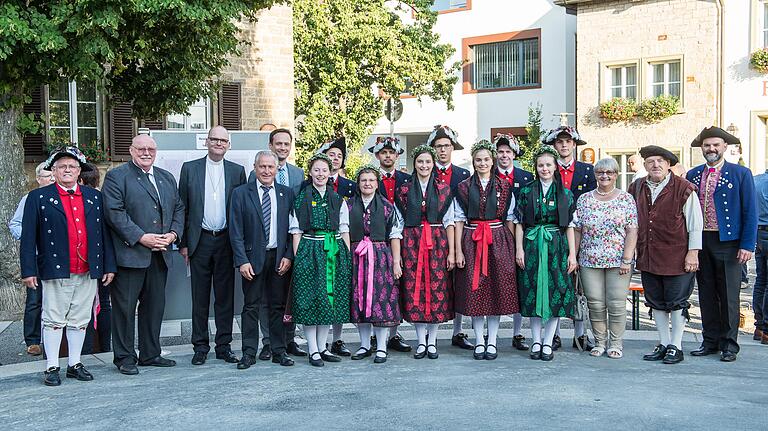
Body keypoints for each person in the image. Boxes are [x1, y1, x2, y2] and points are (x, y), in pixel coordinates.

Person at [20, 147, 116, 386]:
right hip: (55, 268)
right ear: (53, 171)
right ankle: (52, 365)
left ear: (79, 171)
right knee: (53, 318)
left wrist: (108, 266)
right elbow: (28, 237)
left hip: (87, 268)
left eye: (72, 167)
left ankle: (75, 363)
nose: (67, 170)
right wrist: (28, 270)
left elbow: (105, 235)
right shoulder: (38, 198)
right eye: (62, 166)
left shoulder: (94, 197)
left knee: (80, 318)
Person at [103, 134, 185, 375]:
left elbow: (178, 208)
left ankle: (150, 353)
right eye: (141, 148)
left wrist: (173, 235)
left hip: (160, 255)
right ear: (131, 150)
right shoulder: (117, 177)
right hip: (131, 255)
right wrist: (141, 237)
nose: (146, 152)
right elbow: (114, 213)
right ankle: (125, 357)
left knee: (154, 307)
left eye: (151, 148)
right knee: (125, 309)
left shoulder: (166, 177)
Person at [686, 126, 758, 362]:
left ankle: (729, 345)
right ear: (702, 148)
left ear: (725, 147)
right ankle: (710, 341)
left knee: (728, 295)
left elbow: (750, 211)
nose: (711, 149)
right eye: (707, 145)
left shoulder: (741, 173)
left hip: (729, 241)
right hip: (701, 240)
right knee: (706, 293)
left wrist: (747, 245)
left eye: (716, 145)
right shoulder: (693, 174)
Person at [178, 126, 246, 366]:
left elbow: (241, 211)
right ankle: (200, 346)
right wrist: (183, 243)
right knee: (200, 297)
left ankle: (224, 346)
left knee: (225, 298)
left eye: (223, 140)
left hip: (226, 241)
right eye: (214, 139)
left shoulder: (238, 171)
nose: (218, 143)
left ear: (228, 145)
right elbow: (182, 207)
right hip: (200, 240)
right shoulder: (190, 169)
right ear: (206, 141)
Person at [629, 146, 702, 364]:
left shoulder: (684, 188)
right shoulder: (637, 187)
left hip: (677, 256)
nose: (656, 165)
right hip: (649, 254)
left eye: (660, 161)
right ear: (645, 165)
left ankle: (676, 346)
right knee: (655, 301)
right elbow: (630, 220)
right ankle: (663, 342)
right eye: (651, 161)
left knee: (677, 301)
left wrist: (693, 253)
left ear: (669, 164)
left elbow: (695, 224)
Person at [230, 151, 296, 368]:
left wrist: (288, 255)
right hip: (252, 260)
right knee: (251, 306)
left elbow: (291, 230)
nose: (267, 171)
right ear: (255, 168)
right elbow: (236, 230)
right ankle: (249, 352)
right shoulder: (241, 193)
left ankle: (278, 350)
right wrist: (242, 261)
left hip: (278, 258)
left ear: (277, 169)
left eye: (271, 167)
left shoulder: (287, 194)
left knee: (277, 306)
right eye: (262, 167)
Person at [454, 140, 519, 360]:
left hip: (497, 240)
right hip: (472, 240)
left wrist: (511, 247)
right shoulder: (463, 187)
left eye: (486, 159)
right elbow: (460, 220)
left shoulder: (504, 186)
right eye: (478, 159)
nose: (482, 163)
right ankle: (479, 341)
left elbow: (510, 218)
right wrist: (459, 251)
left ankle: (492, 341)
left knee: (495, 292)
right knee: (475, 294)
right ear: (473, 161)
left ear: (493, 161)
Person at [287, 153, 353, 367]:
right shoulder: (302, 197)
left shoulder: (336, 198)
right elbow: (296, 230)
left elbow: (344, 229)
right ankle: (312, 350)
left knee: (329, 300)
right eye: (316, 170)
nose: (321, 174)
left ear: (330, 172)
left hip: (333, 249)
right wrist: (299, 259)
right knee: (310, 300)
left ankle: (323, 347)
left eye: (324, 170)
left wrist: (346, 255)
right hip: (310, 248)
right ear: (310, 172)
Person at [248, 128, 307, 359]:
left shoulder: (298, 174)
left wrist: (291, 251)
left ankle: (288, 340)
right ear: (271, 145)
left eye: (286, 144)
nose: (282, 147)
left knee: (288, 296)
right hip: (264, 246)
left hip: (287, 245)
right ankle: (267, 341)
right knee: (265, 299)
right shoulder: (257, 172)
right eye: (278, 143)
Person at [514, 145, 578, 362]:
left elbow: (569, 225)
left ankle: (548, 342)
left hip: (556, 247)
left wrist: (572, 255)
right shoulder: (526, 191)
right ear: (536, 167)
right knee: (532, 293)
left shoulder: (565, 194)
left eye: (548, 164)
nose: (544, 168)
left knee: (555, 294)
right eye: (540, 165)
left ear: (555, 166)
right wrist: (519, 249)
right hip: (532, 246)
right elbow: (519, 224)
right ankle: (536, 341)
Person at [575, 157, 638, 359]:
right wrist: (574, 256)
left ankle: (616, 343)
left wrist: (627, 259)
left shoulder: (626, 199)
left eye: (609, 173)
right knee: (594, 302)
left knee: (617, 303)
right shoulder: (584, 199)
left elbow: (632, 230)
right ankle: (600, 341)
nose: (604, 176)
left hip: (618, 260)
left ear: (616, 175)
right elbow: (577, 230)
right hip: (589, 259)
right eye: (600, 172)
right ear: (595, 175)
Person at [396, 144, 455, 360]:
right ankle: (421, 342)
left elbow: (449, 222)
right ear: (415, 164)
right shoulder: (403, 191)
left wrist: (451, 252)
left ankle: (433, 341)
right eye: (420, 161)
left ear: (433, 164)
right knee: (416, 290)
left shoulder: (443, 189)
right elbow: (399, 222)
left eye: (428, 162)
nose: (424, 165)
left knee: (436, 288)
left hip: (437, 243)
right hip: (412, 243)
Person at [544, 125, 596, 351]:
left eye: (568, 141)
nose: (564, 145)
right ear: (554, 146)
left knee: (580, 286)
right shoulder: (547, 168)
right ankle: (553, 334)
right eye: (559, 142)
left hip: (581, 233)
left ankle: (580, 334)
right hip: (554, 234)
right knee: (554, 282)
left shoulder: (587, 170)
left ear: (574, 144)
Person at [347, 164, 404, 364]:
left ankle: (381, 347)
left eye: (371, 180)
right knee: (360, 300)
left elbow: (395, 235)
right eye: (364, 180)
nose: (367, 184)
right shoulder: (349, 206)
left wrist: (396, 262)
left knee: (381, 301)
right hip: (357, 257)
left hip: (381, 257)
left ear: (377, 183)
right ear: (358, 183)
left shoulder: (387, 206)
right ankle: (364, 345)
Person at [427, 125, 472, 351]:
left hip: (458, 233)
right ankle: (430, 331)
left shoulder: (463, 174)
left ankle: (458, 330)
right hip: (433, 234)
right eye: (438, 147)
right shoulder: (427, 171)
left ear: (452, 148)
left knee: (458, 283)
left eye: (446, 146)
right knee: (436, 282)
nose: (442, 150)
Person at [369, 136, 412, 353]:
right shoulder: (370, 179)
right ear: (378, 155)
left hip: (405, 238)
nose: (388, 156)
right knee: (379, 288)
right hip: (377, 239)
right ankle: (377, 335)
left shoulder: (407, 179)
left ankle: (394, 333)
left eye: (391, 152)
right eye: (383, 152)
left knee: (399, 287)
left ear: (397, 156)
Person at [314, 137, 355, 356]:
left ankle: (337, 339)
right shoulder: (310, 186)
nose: (336, 159)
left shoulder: (350, 186)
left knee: (337, 294)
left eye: (339, 156)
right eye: (332, 155)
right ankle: (319, 342)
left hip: (339, 243)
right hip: (317, 244)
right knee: (320, 293)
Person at [9, 161, 53, 356]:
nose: (51, 178)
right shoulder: (29, 199)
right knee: (35, 299)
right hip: (36, 256)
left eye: (53, 175)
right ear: (38, 179)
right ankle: (33, 340)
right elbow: (15, 224)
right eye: (47, 176)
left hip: (55, 257)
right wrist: (30, 238)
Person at [493, 133, 533, 351]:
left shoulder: (526, 177)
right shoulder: (487, 174)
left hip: (520, 236)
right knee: (495, 284)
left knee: (518, 285)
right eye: (500, 151)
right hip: (494, 237)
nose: (504, 155)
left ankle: (518, 333)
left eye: (508, 151)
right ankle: (494, 332)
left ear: (514, 154)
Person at [78, 163, 113, 354]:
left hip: (88, 260)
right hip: (102, 258)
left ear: (80, 180)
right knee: (104, 304)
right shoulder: (104, 197)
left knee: (87, 305)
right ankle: (104, 347)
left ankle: (88, 348)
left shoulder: (90, 199)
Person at [753, 168, 768, 343]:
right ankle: (765, 327)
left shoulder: (756, 180)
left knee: (761, 279)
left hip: (758, 232)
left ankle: (759, 326)